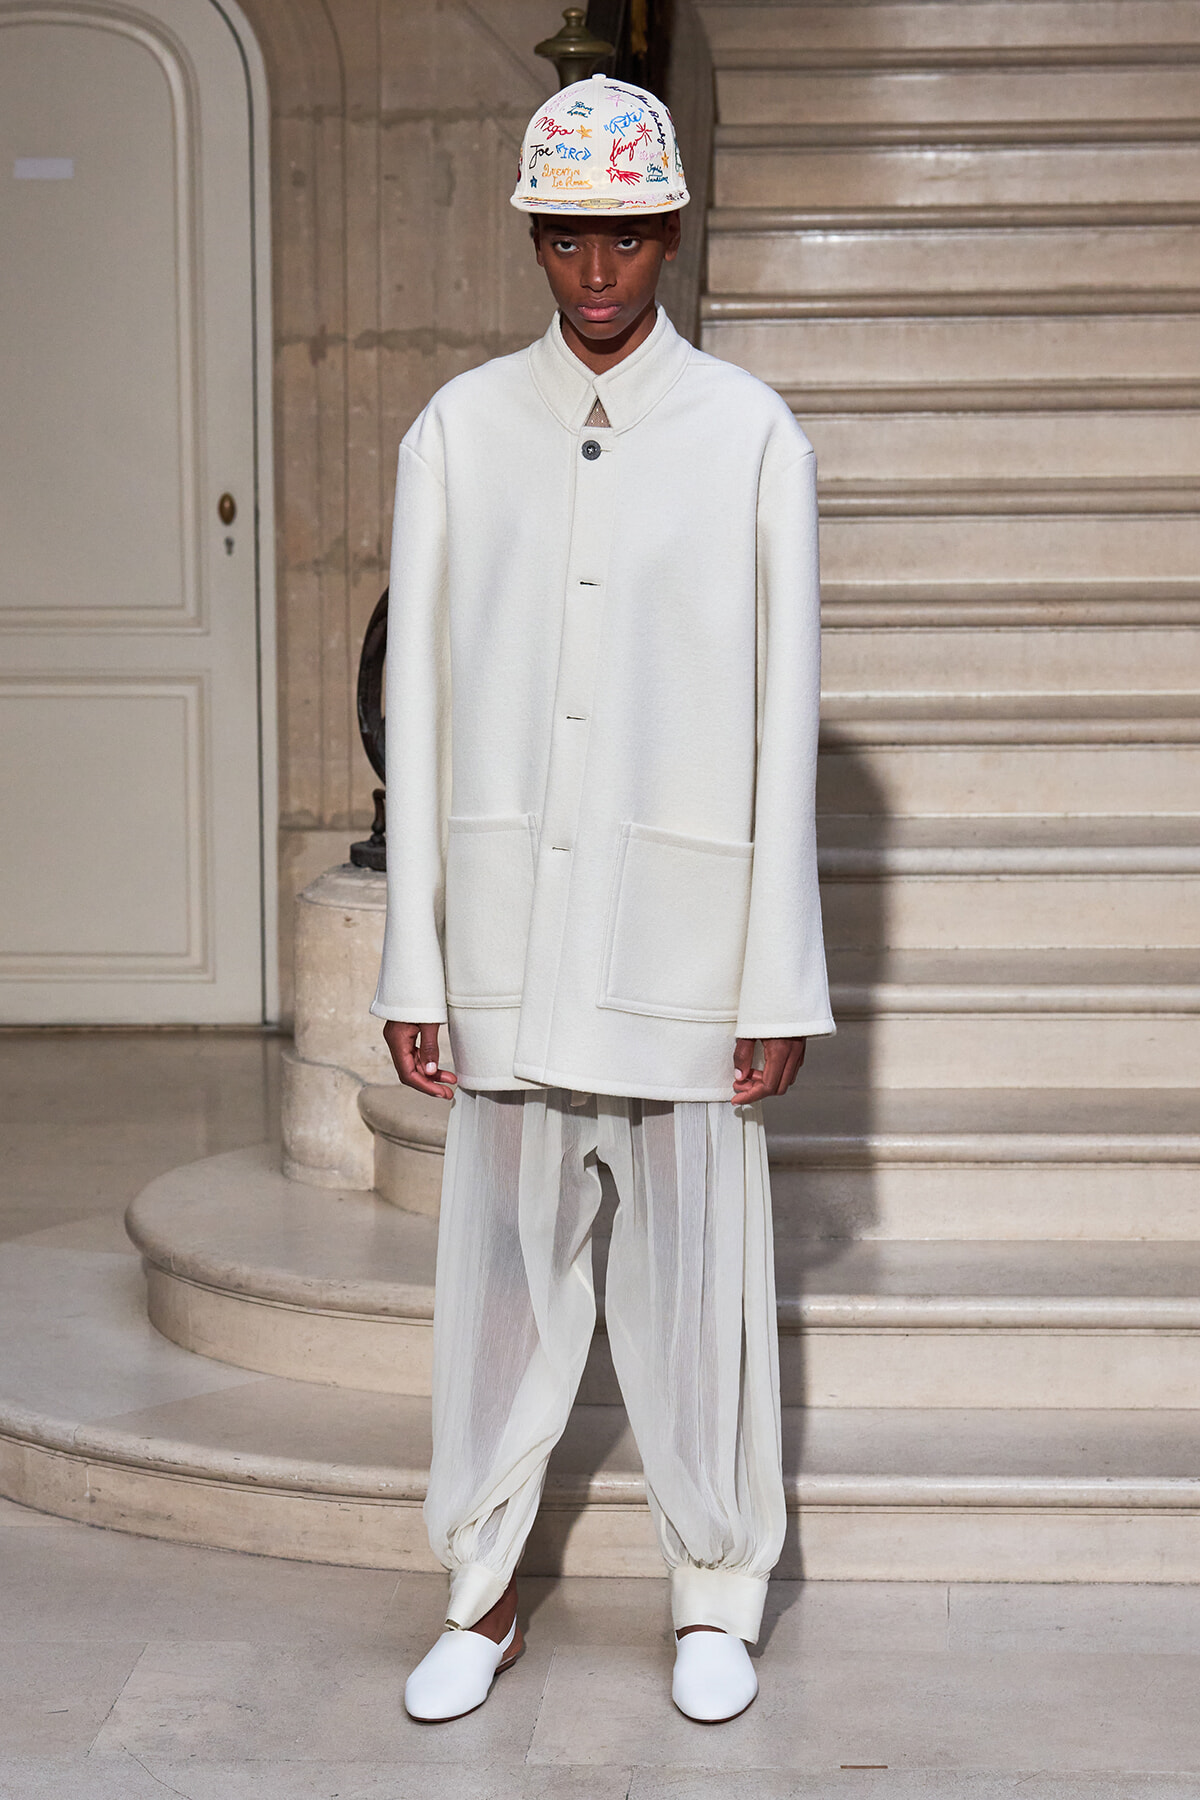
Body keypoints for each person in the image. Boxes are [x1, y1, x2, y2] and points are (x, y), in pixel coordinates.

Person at [372, 71, 833, 1724]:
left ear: (669, 230)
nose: (596, 272)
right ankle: (481, 1591)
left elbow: (783, 725)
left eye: (625, 237)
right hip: (504, 931)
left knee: (700, 1277)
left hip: (686, 945)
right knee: (499, 1279)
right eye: (568, 238)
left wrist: (776, 980)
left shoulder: (750, 437)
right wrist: (410, 961)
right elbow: (414, 712)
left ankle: (715, 1590)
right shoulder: (458, 431)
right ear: (536, 237)